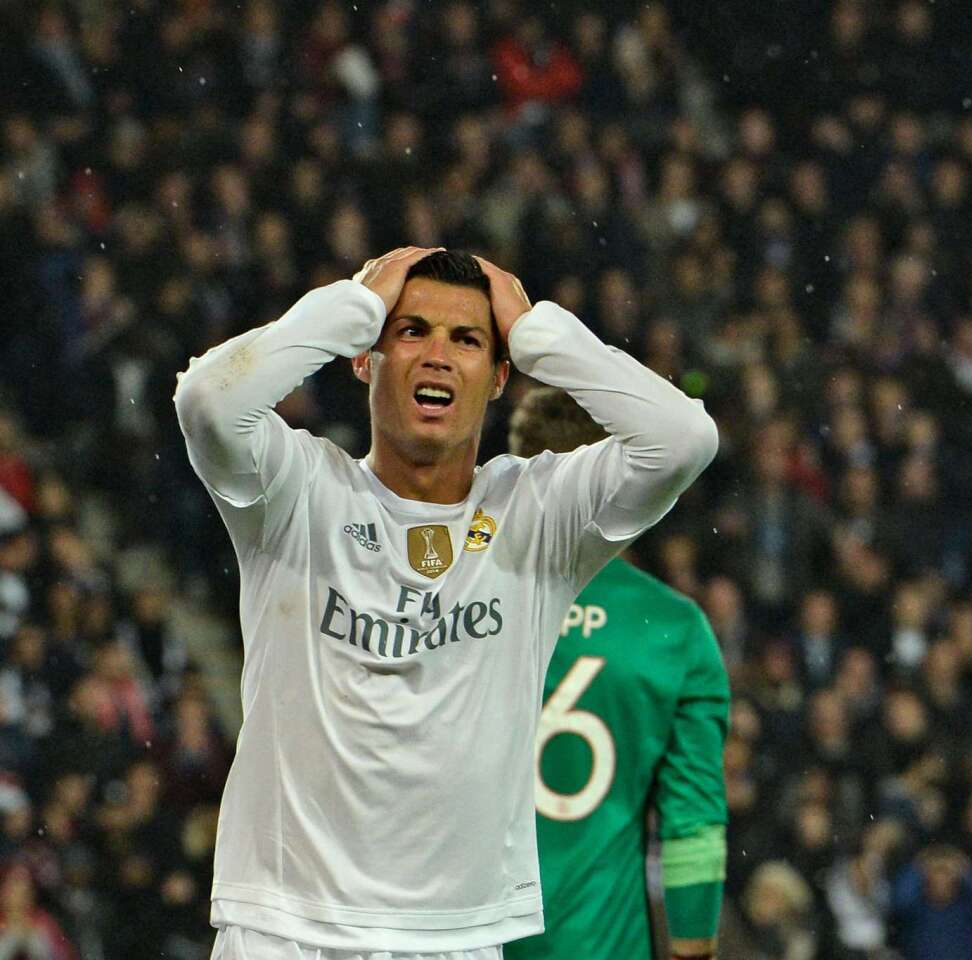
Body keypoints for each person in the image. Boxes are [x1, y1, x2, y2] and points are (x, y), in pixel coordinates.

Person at [174, 248, 718, 959]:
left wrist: (535, 334)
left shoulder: (538, 515)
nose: (437, 355)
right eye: (412, 332)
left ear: (498, 378)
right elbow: (207, 400)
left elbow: (684, 440)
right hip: (285, 928)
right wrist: (354, 306)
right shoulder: (297, 489)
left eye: (466, 340)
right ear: (365, 360)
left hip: (454, 938)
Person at [502, 387, 728, 960]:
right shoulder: (672, 630)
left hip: (467, 939)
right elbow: (693, 824)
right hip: (599, 945)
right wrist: (693, 947)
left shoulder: (463, 602)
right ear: (617, 479)